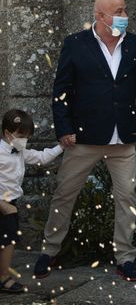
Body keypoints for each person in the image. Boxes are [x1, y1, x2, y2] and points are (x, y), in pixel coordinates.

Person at [34, 0, 136, 282]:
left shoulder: (135, 44)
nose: (124, 14)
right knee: (65, 193)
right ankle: (50, 250)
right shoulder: (75, 44)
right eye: (118, 10)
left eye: (125, 8)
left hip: (123, 138)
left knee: (127, 197)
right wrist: (63, 128)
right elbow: (61, 91)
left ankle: (125, 257)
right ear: (100, 16)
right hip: (84, 137)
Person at [0, 110, 63, 293]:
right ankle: (3, 278)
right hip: (3, 203)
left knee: (8, 240)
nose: (24, 140)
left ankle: (3, 276)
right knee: (8, 240)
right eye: (21, 136)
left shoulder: (21, 152)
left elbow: (42, 157)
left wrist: (62, 147)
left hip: (11, 202)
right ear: (7, 133)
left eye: (27, 137)